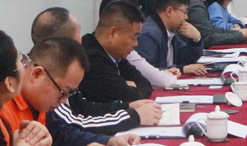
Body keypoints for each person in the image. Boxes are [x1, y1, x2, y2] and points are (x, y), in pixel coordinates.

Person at [0, 38, 142, 146]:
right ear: (37, 74)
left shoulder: (38, 103)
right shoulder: (2, 110)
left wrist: (108, 142)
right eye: (63, 92)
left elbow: (62, 135)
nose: (63, 101)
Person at [30, 8, 162, 133]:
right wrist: (133, 116)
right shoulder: (49, 83)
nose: (82, 48)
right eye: (78, 42)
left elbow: (83, 107)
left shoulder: (60, 74)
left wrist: (128, 107)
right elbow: (74, 124)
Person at [80, 0, 154, 104]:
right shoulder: (91, 59)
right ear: (112, 34)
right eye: (133, 38)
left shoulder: (115, 54)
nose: (136, 44)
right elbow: (130, 96)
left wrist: (128, 85)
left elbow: (145, 84)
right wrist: (129, 85)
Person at [136, 0, 206, 75]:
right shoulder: (149, 34)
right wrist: (181, 69)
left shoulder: (169, 30)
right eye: (184, 11)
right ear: (169, 11)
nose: (186, 17)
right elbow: (147, 71)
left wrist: (196, 40)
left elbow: (187, 58)